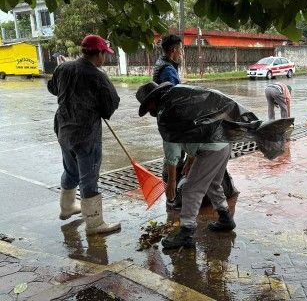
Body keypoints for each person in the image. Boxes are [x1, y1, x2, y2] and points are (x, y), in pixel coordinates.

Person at [136, 83, 237, 249]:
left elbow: (172, 153)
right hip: (224, 142)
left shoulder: (166, 114)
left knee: (191, 189)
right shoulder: (180, 102)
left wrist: (172, 182)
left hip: (212, 148)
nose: (149, 111)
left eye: (148, 107)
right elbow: (193, 133)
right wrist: (190, 161)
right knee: (213, 183)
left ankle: (186, 233)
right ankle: (225, 218)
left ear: (152, 100)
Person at [47, 34, 121, 235]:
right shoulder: (97, 76)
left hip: (63, 130)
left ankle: (67, 207)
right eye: (104, 54)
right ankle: (95, 224)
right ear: (98, 54)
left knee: (71, 169)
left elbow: (52, 88)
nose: (104, 58)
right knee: (89, 176)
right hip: (86, 133)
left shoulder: (63, 68)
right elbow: (110, 106)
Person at [152, 34, 184, 210]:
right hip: (171, 121)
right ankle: (173, 197)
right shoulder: (167, 70)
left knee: (172, 157)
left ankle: (172, 196)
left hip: (166, 119)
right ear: (173, 50)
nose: (181, 53)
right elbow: (174, 97)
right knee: (175, 159)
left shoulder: (162, 64)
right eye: (180, 50)